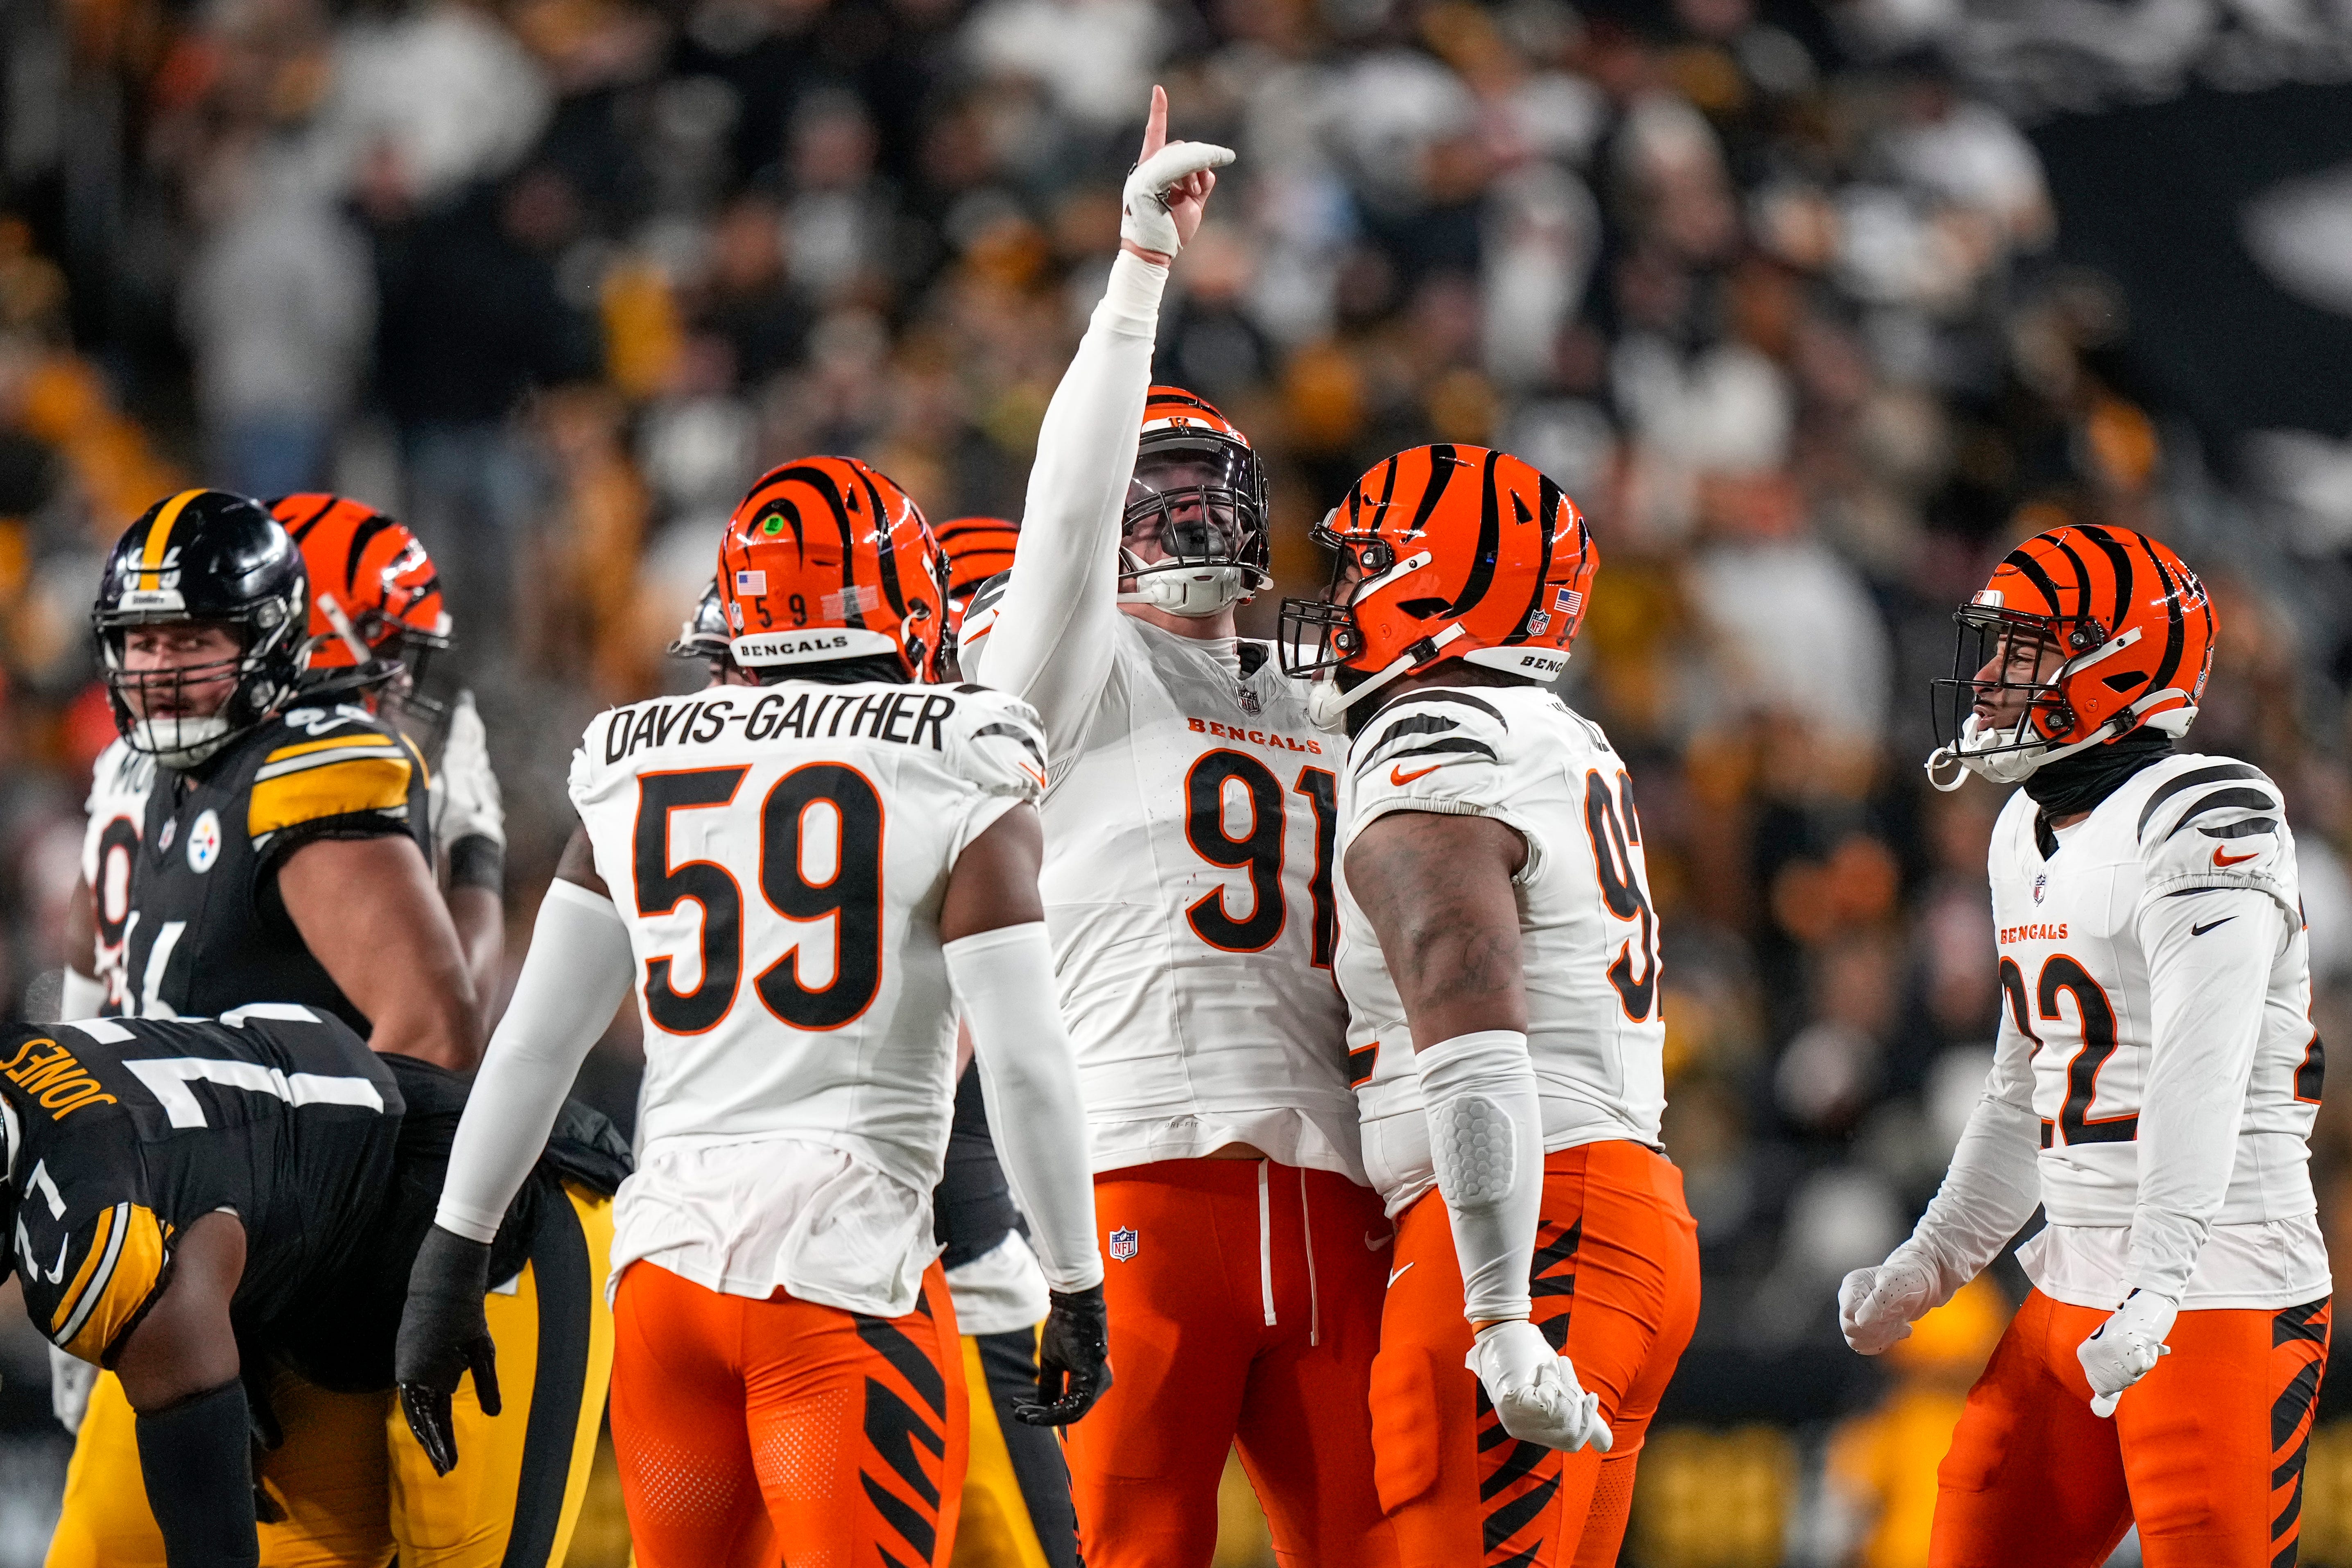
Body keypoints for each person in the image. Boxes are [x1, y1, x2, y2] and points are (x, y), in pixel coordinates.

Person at [395, 456, 1108, 1568]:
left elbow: (535, 1043)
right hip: (845, 1273)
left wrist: (451, 1254)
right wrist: (1074, 1277)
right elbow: (1022, 1063)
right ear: (910, 611)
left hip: (667, 1273)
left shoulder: (636, 760)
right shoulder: (961, 757)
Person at [957, 88, 1393, 1568]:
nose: (1190, 512)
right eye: (1162, 484)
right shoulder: (1074, 671)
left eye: (1216, 482)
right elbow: (1067, 515)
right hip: (1141, 1164)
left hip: (1335, 1181)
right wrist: (1138, 278)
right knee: (1137, 1548)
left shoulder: (1318, 688)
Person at [50, 487, 619, 1568]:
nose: (164, 670)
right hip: (276, 1253)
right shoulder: (203, 776)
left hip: (434, 1239)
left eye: (195, 640)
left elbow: (438, 1032)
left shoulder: (279, 773)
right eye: (148, 643)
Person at [1840, 525, 2328, 1568]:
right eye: (1999, 647)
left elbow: (2200, 1072)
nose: (1993, 677)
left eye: (2026, 650)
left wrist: (2157, 1285)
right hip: (2072, 1276)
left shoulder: (2210, 812)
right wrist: (1934, 1261)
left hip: (2213, 1284)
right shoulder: (2021, 826)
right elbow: (2025, 1094)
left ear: (2120, 662)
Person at [1277, 444, 1700, 1566]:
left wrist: (1501, 1308)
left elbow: (1466, 996)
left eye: (1362, 564)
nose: (1338, 595)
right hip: (1604, 1201)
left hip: (1533, 1221)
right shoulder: (1551, 736)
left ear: (1436, 583)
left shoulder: (1434, 736)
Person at [3, 1005, 624, 1568]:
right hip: (327, 1277)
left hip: (494, 1223)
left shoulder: (86, 1228)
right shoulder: (24, 1077)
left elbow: (213, 1547)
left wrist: (202, 1400)